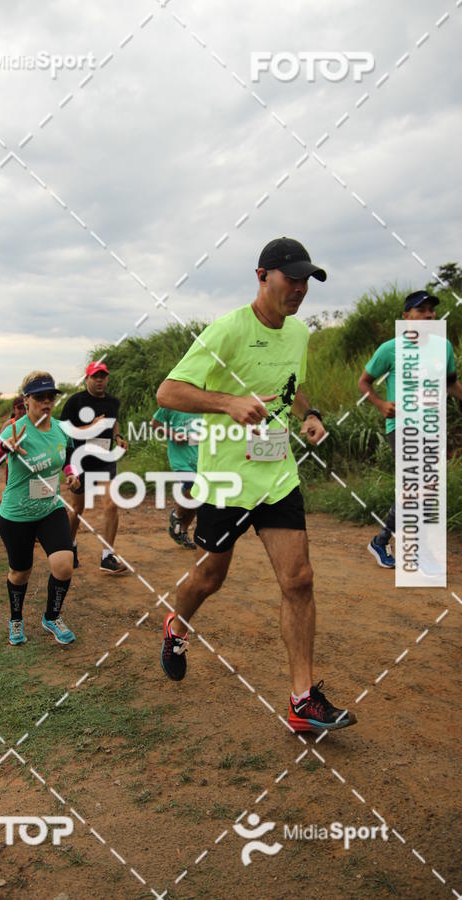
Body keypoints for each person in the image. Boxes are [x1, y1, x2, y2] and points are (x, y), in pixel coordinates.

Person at [156, 237, 357, 734]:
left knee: (299, 580)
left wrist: (309, 412)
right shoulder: (227, 331)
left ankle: (302, 700)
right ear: (263, 276)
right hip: (226, 481)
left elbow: (292, 383)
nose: (301, 289)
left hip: (277, 475)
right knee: (210, 578)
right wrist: (228, 403)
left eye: (307, 280)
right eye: (293, 278)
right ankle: (176, 625)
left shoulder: (299, 333)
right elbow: (169, 391)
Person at [359, 290, 462, 568]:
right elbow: (363, 382)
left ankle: (381, 540)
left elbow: (450, 383)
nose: (429, 315)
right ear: (406, 317)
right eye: (421, 310)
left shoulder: (444, 347)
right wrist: (381, 404)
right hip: (402, 426)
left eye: (431, 310)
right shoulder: (390, 349)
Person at [0, 371, 80, 646]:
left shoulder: (61, 428)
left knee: (64, 566)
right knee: (20, 572)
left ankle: (52, 617)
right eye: (39, 397)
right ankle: (16, 618)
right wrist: (3, 448)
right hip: (17, 515)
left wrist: (71, 475)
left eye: (50, 397)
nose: (46, 402)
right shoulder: (15, 430)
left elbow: (68, 455)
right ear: (26, 400)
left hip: (50, 509)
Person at [61, 362, 129, 574]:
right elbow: (64, 430)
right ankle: (70, 545)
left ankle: (107, 556)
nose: (99, 380)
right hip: (81, 461)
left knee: (112, 504)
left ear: (107, 379)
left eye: (103, 376)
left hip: (105, 459)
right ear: (87, 379)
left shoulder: (113, 402)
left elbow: (114, 422)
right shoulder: (75, 401)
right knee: (77, 509)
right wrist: (91, 427)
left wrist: (118, 437)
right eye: (95, 376)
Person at [150, 407, 200, 548]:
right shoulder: (173, 403)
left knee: (196, 498)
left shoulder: (206, 403)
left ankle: (182, 531)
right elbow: (155, 423)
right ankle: (176, 515)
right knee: (192, 489)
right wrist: (173, 434)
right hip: (181, 459)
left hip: (201, 458)